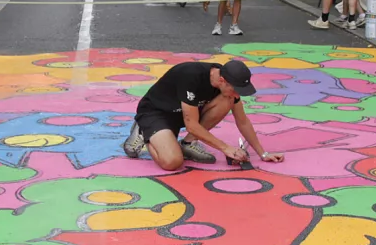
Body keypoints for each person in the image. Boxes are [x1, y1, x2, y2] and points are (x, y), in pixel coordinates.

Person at [122, 59, 285, 169]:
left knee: (227, 100)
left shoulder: (227, 80)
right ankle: (144, 130)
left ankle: (187, 144)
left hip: (185, 112)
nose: (237, 95)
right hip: (156, 113)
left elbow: (242, 121)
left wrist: (263, 153)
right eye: (235, 90)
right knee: (172, 162)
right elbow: (191, 125)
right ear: (223, 81)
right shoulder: (191, 75)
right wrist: (226, 148)